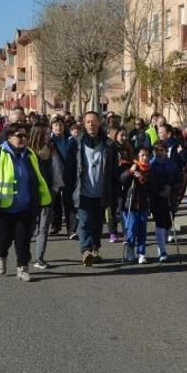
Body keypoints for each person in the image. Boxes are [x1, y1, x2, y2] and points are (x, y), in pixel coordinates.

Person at [0, 124, 52, 282]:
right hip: (3, 208)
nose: (23, 139)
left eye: (25, 136)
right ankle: (1, 255)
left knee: (23, 239)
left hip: (26, 207)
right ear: (9, 137)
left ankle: (22, 268)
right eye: (19, 136)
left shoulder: (30, 154)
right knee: (4, 239)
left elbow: (39, 179)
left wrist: (43, 201)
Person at [65, 111, 120, 267]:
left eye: (94, 121)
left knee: (97, 223)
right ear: (83, 124)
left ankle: (95, 248)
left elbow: (114, 170)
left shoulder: (109, 145)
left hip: (101, 190)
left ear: (100, 122)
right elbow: (69, 169)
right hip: (82, 190)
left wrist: (115, 189)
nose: (91, 124)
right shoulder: (75, 143)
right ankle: (86, 250)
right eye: (88, 122)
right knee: (84, 221)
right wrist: (70, 188)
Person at [29, 122, 58, 270]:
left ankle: (39, 258)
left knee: (44, 227)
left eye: (49, 133)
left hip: (49, 194)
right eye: (46, 134)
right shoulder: (29, 153)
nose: (49, 136)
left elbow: (55, 171)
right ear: (38, 135)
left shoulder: (52, 149)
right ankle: (25, 255)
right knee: (29, 227)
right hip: (32, 196)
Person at [120, 146, 153, 264]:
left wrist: (141, 177)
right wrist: (130, 171)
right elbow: (122, 179)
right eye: (142, 155)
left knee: (142, 231)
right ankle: (130, 250)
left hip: (143, 205)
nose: (145, 158)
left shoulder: (149, 170)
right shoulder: (131, 166)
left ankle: (141, 253)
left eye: (147, 156)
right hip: (131, 205)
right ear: (137, 157)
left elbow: (151, 184)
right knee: (131, 229)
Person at [149, 138, 180, 262]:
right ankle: (162, 249)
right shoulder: (151, 164)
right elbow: (150, 182)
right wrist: (159, 191)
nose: (158, 152)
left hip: (170, 198)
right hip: (157, 198)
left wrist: (171, 188)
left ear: (166, 151)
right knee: (159, 222)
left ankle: (164, 241)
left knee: (167, 223)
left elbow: (178, 180)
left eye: (161, 150)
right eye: (156, 150)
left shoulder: (172, 164)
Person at [49, 117, 76, 238]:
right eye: (55, 125)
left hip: (68, 175)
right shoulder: (49, 141)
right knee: (55, 203)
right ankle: (56, 225)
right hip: (54, 175)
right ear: (52, 127)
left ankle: (71, 229)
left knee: (68, 202)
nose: (58, 127)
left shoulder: (70, 140)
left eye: (60, 125)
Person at [106, 127, 133, 244]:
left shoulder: (128, 148)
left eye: (125, 135)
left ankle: (127, 232)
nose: (124, 138)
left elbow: (133, 161)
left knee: (123, 208)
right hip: (111, 182)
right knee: (111, 209)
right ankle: (113, 232)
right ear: (115, 135)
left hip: (125, 182)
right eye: (121, 135)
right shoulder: (110, 148)